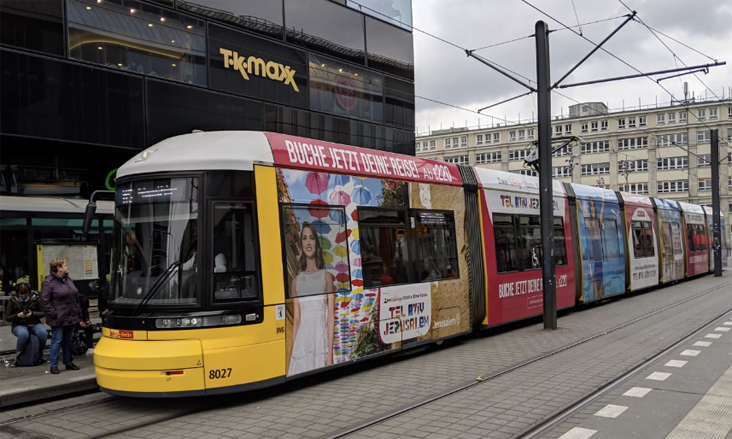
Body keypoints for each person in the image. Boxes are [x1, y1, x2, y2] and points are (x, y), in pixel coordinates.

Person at [288, 223, 335, 375]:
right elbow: (296, 320)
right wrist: (292, 353)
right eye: (304, 238)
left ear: (316, 243)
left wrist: (330, 354)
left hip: (320, 341)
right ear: (301, 244)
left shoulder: (326, 278)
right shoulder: (295, 282)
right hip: (302, 343)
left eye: (312, 238)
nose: (308, 242)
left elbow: (330, 319)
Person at [40, 258, 83, 374]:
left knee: (68, 340)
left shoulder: (68, 279)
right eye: (64, 265)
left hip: (71, 315)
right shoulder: (48, 282)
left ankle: (68, 362)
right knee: (57, 340)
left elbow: (75, 297)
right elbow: (44, 301)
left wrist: (78, 313)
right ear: (58, 268)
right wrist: (54, 314)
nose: (67, 267)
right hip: (58, 317)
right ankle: (53, 365)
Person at [4, 283, 46, 366]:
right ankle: (18, 356)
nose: (23, 296)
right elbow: (7, 317)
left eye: (25, 294)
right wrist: (17, 315)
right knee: (23, 334)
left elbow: (43, 313)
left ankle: (41, 354)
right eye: (21, 294)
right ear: (17, 293)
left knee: (43, 333)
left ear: (29, 293)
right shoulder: (13, 300)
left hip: (34, 322)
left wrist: (32, 314)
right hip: (18, 324)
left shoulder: (35, 299)